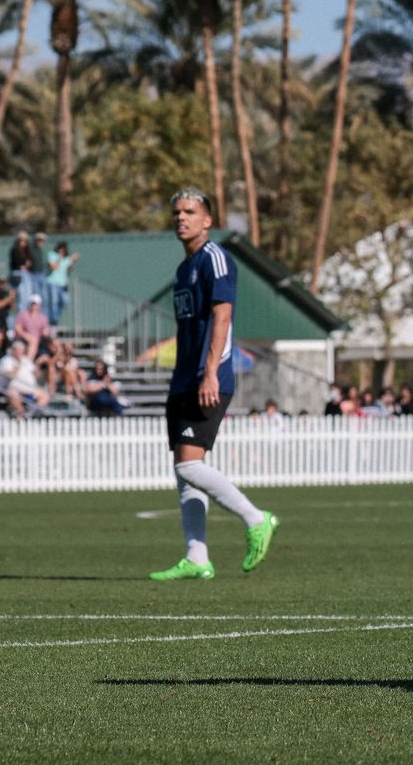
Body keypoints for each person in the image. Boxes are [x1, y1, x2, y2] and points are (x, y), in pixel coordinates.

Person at [148, 188, 278, 582]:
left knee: (189, 464)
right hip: (184, 379)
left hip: (209, 378)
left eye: (190, 212)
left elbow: (223, 319)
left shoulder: (215, 260)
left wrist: (209, 373)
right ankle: (197, 556)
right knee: (185, 468)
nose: (181, 218)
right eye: (176, 213)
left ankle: (257, 519)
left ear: (207, 221)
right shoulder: (183, 268)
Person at [45, 240, 80, 324]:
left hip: (63, 284)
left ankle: (55, 319)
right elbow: (53, 267)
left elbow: (70, 268)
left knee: (65, 300)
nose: (62, 251)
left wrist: (73, 260)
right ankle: (52, 321)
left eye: (63, 250)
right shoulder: (52, 255)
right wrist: (60, 259)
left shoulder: (66, 258)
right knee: (53, 302)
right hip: (53, 283)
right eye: (60, 249)